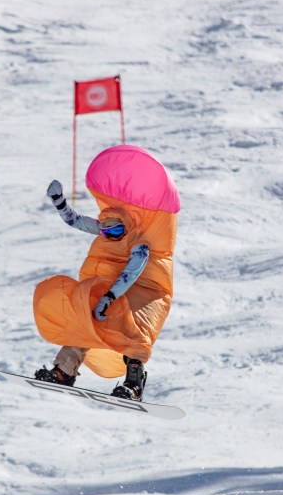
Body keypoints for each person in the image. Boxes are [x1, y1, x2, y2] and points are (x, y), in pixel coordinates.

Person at [33, 145, 180, 400]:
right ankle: (64, 371)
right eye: (105, 231)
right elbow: (75, 220)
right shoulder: (107, 230)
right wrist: (59, 202)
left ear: (127, 226)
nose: (110, 236)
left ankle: (134, 385)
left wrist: (110, 297)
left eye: (115, 231)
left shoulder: (139, 241)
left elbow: (134, 270)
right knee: (86, 319)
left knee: (136, 328)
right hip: (112, 289)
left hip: (147, 291)